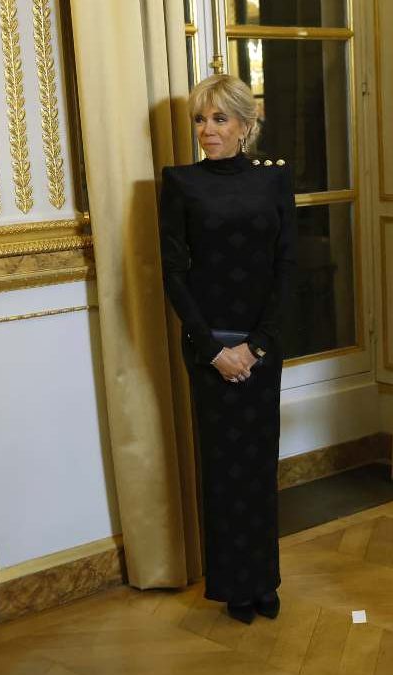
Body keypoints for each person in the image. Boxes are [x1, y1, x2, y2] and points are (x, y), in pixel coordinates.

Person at [158, 74, 296, 625]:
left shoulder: (274, 180)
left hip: (262, 347)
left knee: (260, 465)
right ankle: (236, 586)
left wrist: (258, 345)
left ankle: (265, 579)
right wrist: (213, 350)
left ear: (245, 124)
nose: (206, 130)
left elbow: (286, 266)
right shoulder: (181, 182)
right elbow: (174, 273)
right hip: (208, 350)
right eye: (200, 119)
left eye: (218, 119)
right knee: (223, 468)